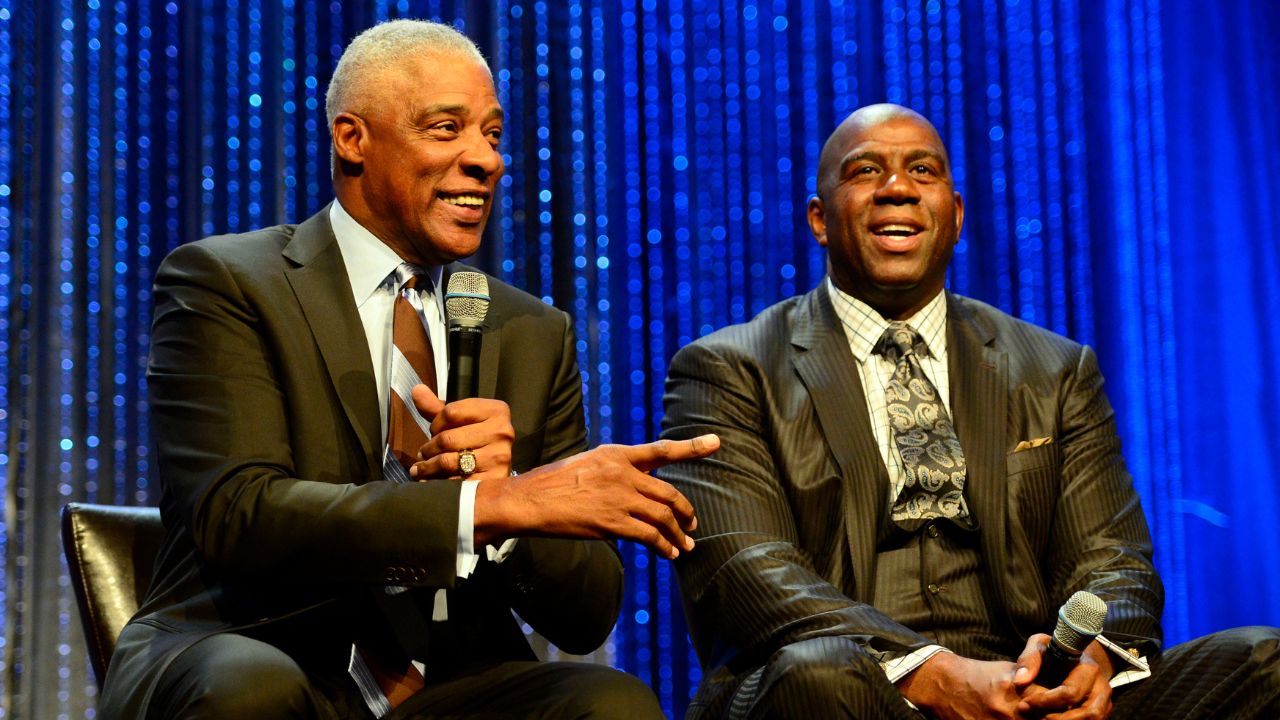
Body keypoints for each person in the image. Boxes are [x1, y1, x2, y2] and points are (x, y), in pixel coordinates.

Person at [100, 19, 717, 720]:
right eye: (446, 127)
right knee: (252, 688)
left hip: (448, 683)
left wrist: (509, 507)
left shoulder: (530, 332)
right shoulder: (228, 282)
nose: (486, 160)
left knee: (611, 702)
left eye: (492, 132)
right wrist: (479, 508)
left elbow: (585, 617)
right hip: (248, 646)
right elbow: (239, 517)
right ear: (351, 138)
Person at [659, 103, 1279, 719]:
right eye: (866, 171)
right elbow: (748, 573)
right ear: (819, 220)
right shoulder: (728, 369)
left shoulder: (1054, 369)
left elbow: (1111, 558)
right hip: (854, 684)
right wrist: (930, 672)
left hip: (1026, 687)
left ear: (954, 217)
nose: (897, 189)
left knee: (1261, 663)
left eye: (922, 171)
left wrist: (1090, 661)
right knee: (818, 673)